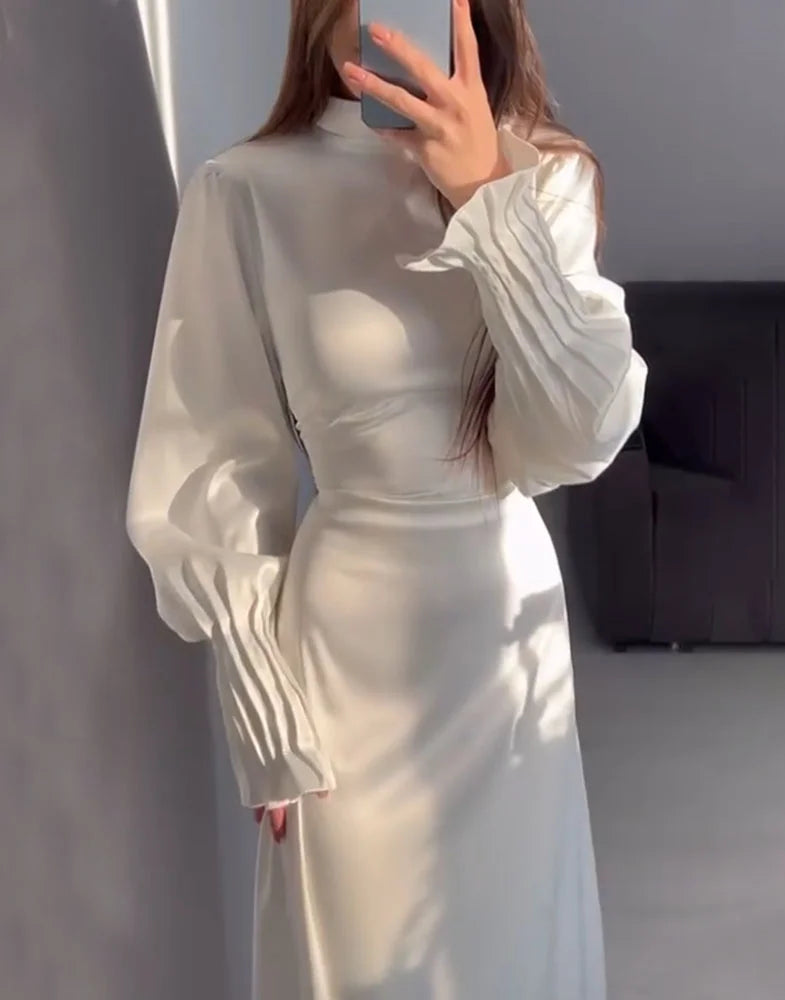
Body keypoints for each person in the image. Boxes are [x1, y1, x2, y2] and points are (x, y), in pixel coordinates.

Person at [125, 0, 647, 996]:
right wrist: (259, 696)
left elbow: (575, 440)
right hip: (344, 657)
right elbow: (210, 457)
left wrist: (487, 199)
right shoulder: (247, 190)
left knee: (515, 958)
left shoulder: (544, 176)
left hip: (503, 636)